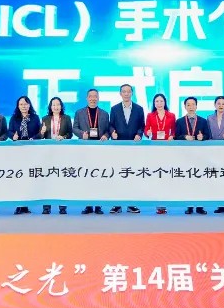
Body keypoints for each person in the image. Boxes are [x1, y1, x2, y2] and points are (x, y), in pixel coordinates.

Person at [108, 83, 145, 213]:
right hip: (118, 147)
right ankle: (117, 204)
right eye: (124, 91)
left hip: (134, 147)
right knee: (118, 174)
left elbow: (142, 126)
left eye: (129, 91)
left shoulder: (139, 109)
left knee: (132, 174)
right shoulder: (114, 109)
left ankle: (132, 204)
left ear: (132, 93)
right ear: (120, 93)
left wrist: (139, 134)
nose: (126, 94)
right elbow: (111, 125)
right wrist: (112, 132)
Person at [73, 88, 110, 215]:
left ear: (98, 98)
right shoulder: (79, 112)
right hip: (85, 148)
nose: (93, 98)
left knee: (99, 176)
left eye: (95, 96)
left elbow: (108, 130)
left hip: (100, 149)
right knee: (86, 176)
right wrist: (81, 134)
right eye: (90, 96)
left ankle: (98, 205)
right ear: (87, 98)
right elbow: (74, 128)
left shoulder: (104, 114)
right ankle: (88, 205)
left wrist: (106, 135)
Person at [175, 96, 211, 215]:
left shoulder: (203, 121)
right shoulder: (180, 121)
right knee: (188, 180)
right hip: (185, 155)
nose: (191, 107)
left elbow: (208, 135)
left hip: (200, 155)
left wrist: (202, 137)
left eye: (193, 104)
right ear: (185, 107)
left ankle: (200, 206)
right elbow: (176, 136)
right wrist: (185, 137)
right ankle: (189, 206)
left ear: (196, 106)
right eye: (188, 105)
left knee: (201, 180)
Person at [8, 96, 40, 215]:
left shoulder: (35, 118)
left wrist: (34, 138)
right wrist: (13, 136)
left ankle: (26, 205)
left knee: (28, 178)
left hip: (31, 150)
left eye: (25, 104)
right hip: (18, 150)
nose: (23, 106)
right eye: (21, 104)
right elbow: (9, 131)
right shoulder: (14, 118)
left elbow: (40, 133)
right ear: (18, 106)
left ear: (29, 105)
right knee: (18, 177)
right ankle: (18, 204)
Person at [40, 97, 71, 215]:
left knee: (61, 178)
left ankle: (62, 207)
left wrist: (63, 137)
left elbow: (70, 133)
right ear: (50, 107)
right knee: (47, 179)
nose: (56, 107)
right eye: (53, 105)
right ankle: (46, 207)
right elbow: (41, 136)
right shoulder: (45, 119)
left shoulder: (67, 118)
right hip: (48, 152)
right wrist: (42, 132)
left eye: (58, 104)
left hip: (62, 152)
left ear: (61, 106)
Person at [144, 93, 174, 215]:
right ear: (154, 103)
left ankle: (164, 203)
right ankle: (157, 203)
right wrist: (148, 133)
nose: (159, 103)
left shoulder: (171, 115)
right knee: (156, 175)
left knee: (165, 175)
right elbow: (146, 130)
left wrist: (172, 136)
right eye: (157, 101)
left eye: (161, 101)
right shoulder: (150, 115)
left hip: (167, 148)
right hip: (155, 148)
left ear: (165, 102)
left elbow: (174, 130)